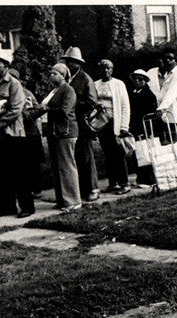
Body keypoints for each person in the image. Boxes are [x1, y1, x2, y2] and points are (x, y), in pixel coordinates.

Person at [0, 48, 35, 218]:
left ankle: (27, 207)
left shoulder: (13, 83)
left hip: (13, 135)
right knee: (2, 173)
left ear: (5, 66)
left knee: (19, 171)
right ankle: (7, 207)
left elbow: (15, 109)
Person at [35, 62, 81, 212]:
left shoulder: (68, 90)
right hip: (54, 132)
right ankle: (62, 199)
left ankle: (73, 201)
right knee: (57, 167)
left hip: (65, 132)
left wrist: (46, 109)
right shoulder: (54, 90)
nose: (51, 76)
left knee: (67, 166)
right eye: (51, 73)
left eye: (55, 73)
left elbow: (64, 111)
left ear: (63, 75)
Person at [60, 47, 101, 203]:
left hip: (82, 121)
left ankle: (93, 188)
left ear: (79, 63)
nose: (69, 64)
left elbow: (92, 102)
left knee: (86, 156)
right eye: (67, 61)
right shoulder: (68, 78)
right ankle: (83, 188)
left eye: (72, 62)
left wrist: (72, 103)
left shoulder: (85, 79)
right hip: (71, 123)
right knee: (76, 156)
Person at [93, 59, 131, 193]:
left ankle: (124, 183)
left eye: (108, 68)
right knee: (107, 154)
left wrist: (124, 127)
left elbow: (125, 105)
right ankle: (112, 182)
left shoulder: (118, 84)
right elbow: (92, 102)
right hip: (102, 123)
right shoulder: (95, 84)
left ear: (112, 70)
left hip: (115, 122)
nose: (105, 71)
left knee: (118, 152)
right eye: (103, 68)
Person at [155, 49, 177, 173]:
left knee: (176, 145)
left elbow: (172, 93)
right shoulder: (168, 76)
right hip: (169, 117)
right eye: (165, 58)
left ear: (176, 60)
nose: (167, 60)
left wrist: (161, 108)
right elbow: (162, 95)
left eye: (170, 58)